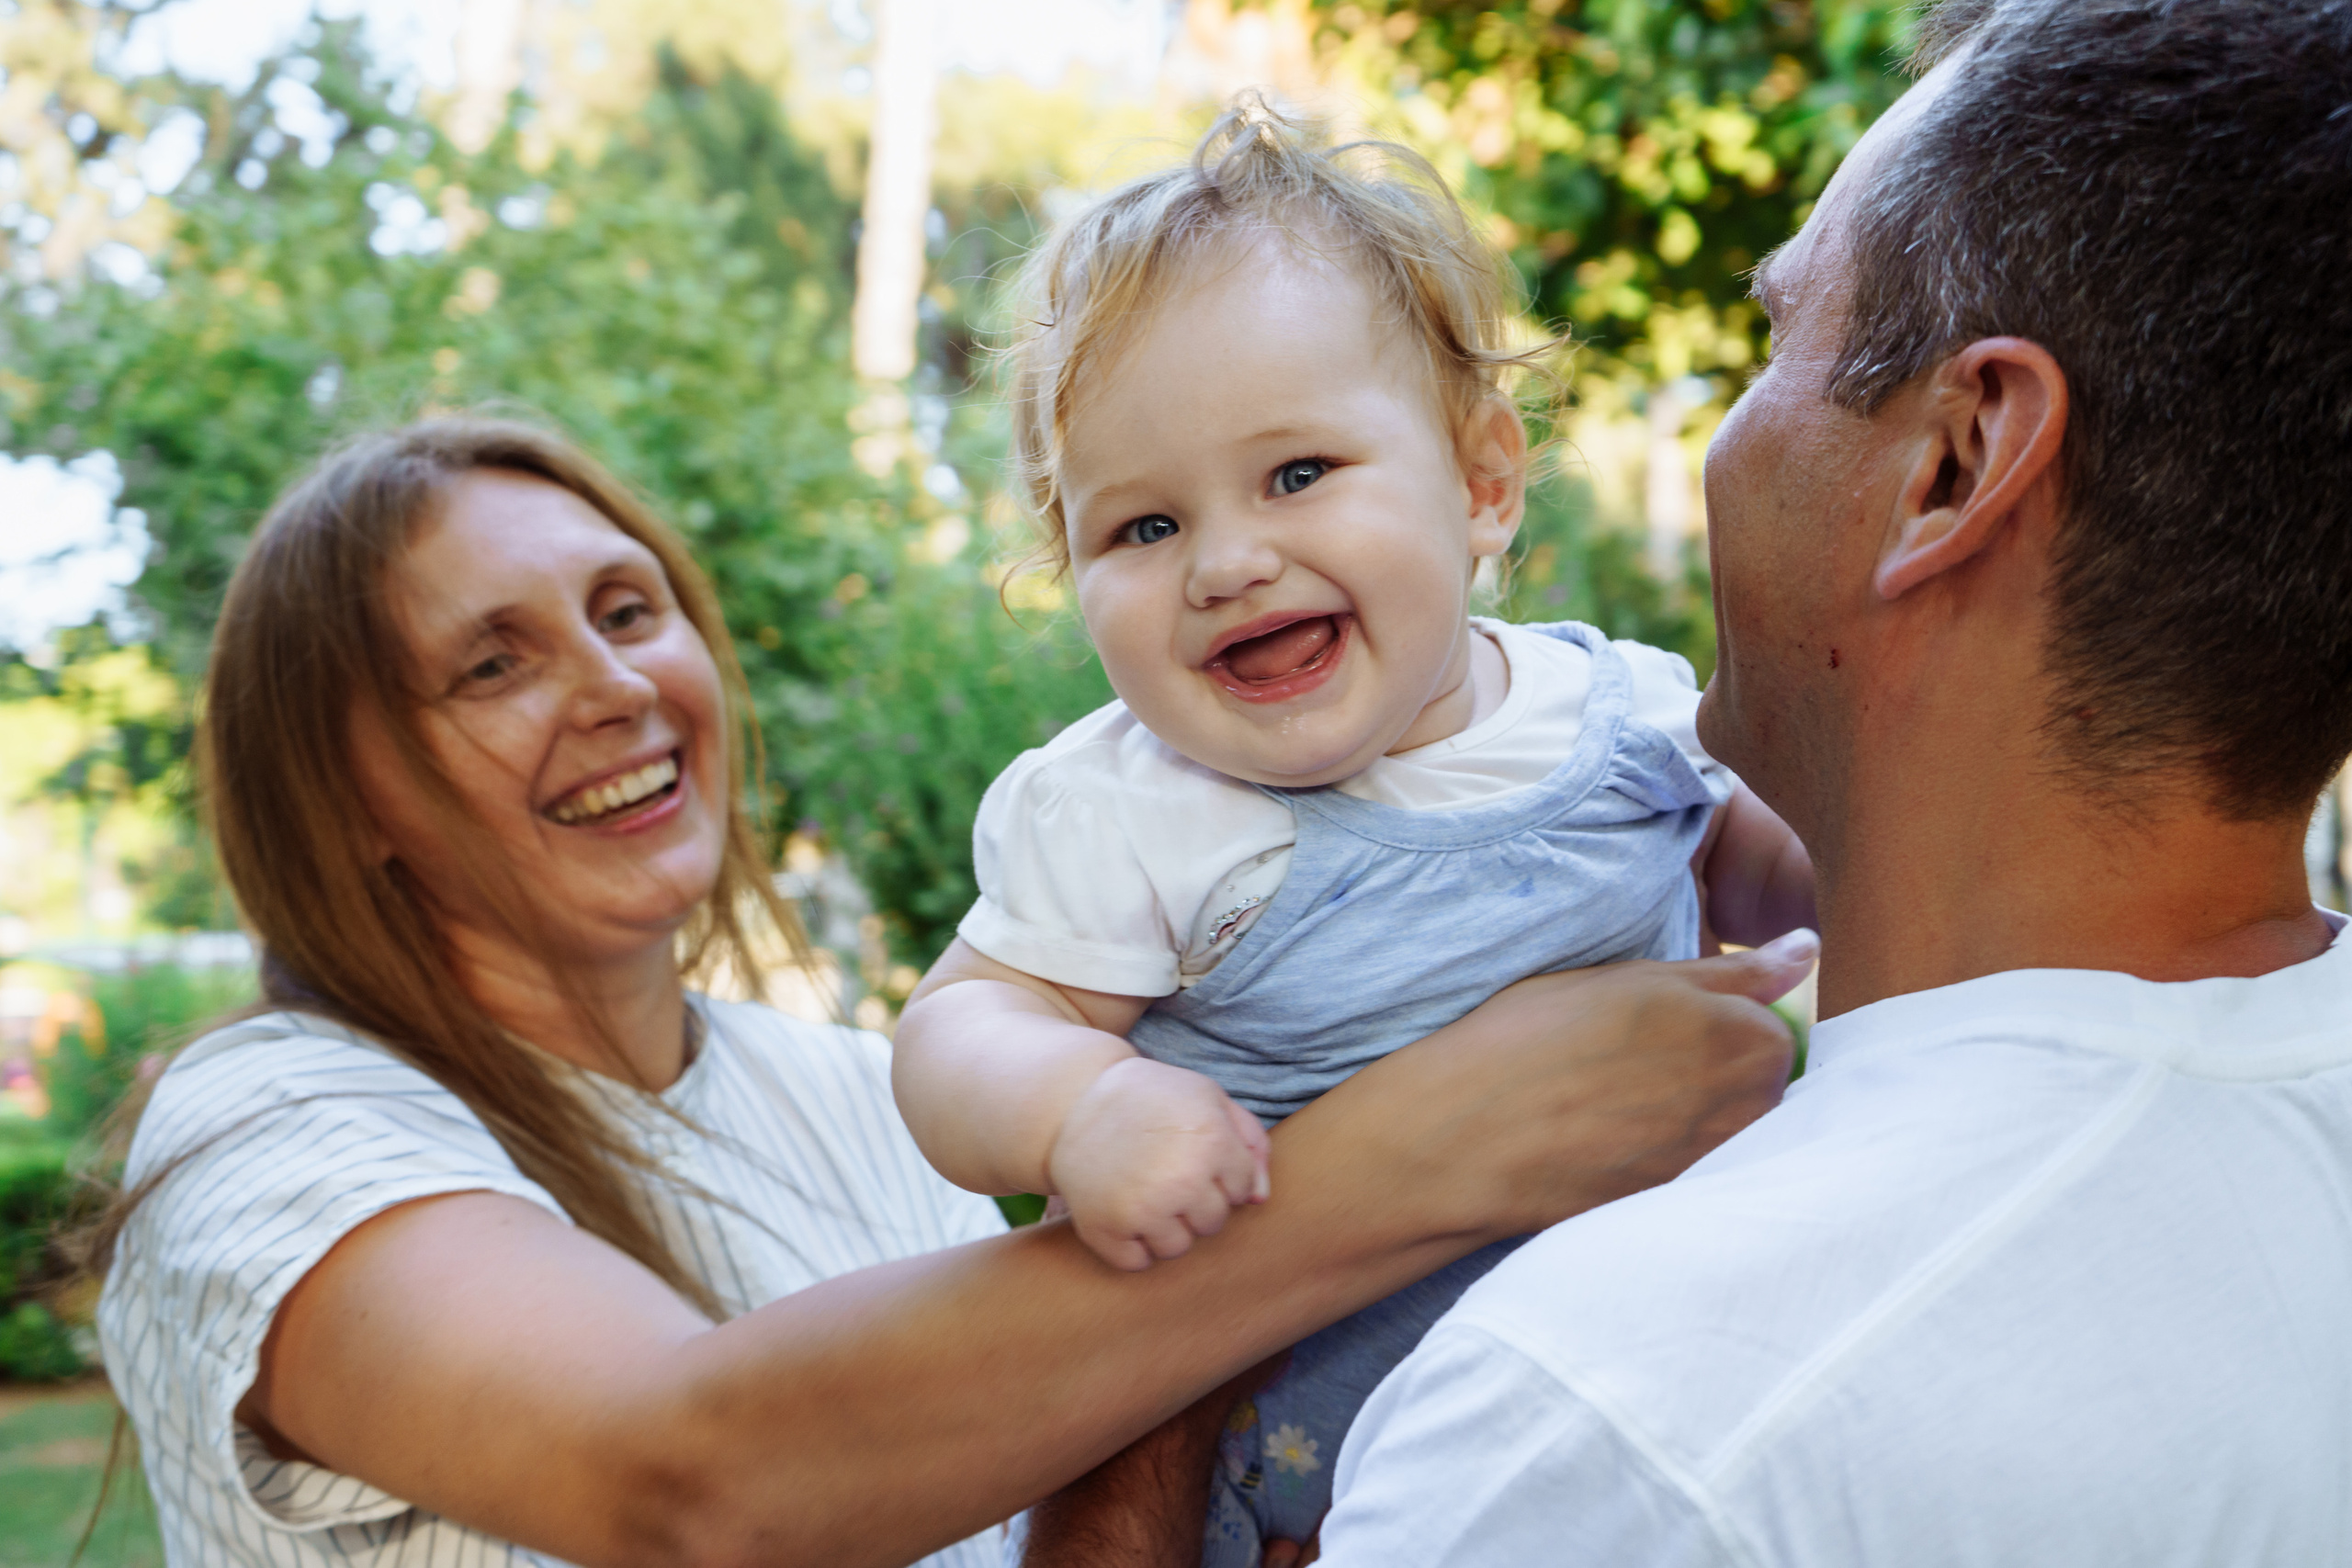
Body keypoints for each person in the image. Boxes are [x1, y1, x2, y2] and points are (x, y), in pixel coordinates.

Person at [86, 415, 1811, 1568]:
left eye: (629, 609)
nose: (614, 685)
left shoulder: (847, 1090)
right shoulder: (268, 1125)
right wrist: (1426, 1153)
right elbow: (690, 1479)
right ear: (351, 802)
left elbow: (1095, 1462)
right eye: (490, 664)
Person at [1297, 0, 2352, 1561]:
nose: (1732, 425)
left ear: (1955, 461)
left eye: (1774, 336)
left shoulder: (1621, 1428)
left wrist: (1190, 1376)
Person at [890, 102, 1816, 1564]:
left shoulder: (1621, 712)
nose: (1230, 563)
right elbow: (961, 1026)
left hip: (1619, 1415)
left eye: (1297, 473)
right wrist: (1080, 1110)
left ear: (1482, 485)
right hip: (1277, 1481)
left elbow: (1791, 880)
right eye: (1141, 529)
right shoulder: (1141, 808)